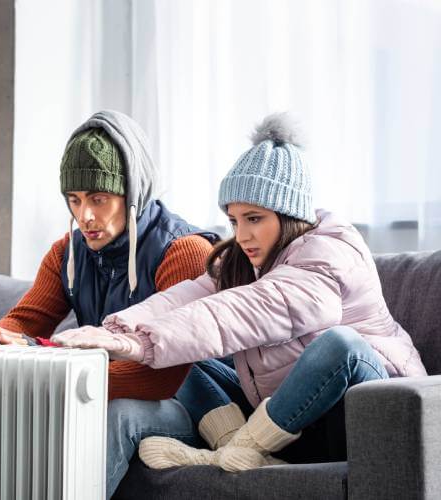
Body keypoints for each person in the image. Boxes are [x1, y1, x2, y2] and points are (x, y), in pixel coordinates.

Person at [52, 112, 427, 472]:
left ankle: (240, 450)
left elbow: (242, 311)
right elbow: (187, 298)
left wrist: (141, 346)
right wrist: (118, 331)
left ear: (289, 214)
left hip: (361, 410)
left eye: (254, 219)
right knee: (184, 352)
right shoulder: (247, 259)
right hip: (289, 421)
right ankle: (238, 451)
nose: (242, 234)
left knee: (340, 345)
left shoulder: (328, 253)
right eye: (234, 220)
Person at [0, 110, 219, 496]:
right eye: (75, 199)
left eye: (99, 199)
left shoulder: (183, 251)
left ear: (132, 192)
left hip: (192, 403)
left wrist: (57, 376)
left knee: (116, 415)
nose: (85, 216)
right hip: (98, 386)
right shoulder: (67, 254)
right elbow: (25, 321)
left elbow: (168, 376)